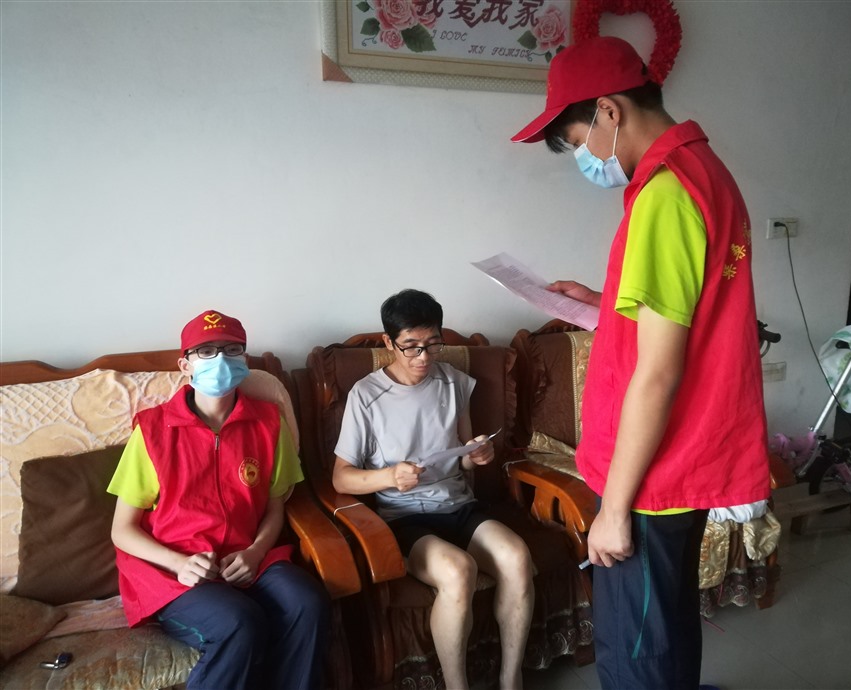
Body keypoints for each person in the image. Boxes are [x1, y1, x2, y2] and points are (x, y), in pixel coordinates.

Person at [511, 37, 771, 689]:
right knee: (667, 624)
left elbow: (657, 373)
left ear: (609, 111)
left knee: (637, 649)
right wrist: (601, 304)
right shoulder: (705, 172)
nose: (586, 159)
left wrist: (615, 509)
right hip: (682, 459)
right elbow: (690, 318)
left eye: (579, 142)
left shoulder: (664, 194)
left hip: (653, 474)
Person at [108, 309, 330, 690]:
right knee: (239, 623)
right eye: (206, 351)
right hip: (174, 574)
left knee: (308, 602)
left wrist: (256, 552)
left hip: (248, 560)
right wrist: (179, 563)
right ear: (185, 365)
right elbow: (122, 530)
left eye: (231, 350)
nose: (221, 360)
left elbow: (275, 506)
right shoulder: (153, 430)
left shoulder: (268, 423)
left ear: (244, 359)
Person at [332, 289, 534, 690]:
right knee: (458, 570)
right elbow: (341, 478)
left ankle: (511, 679)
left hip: (458, 504)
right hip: (404, 516)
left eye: (433, 344)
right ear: (389, 342)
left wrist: (476, 454)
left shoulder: (453, 382)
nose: (424, 357)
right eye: (411, 346)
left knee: (517, 557)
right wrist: (389, 476)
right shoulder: (366, 396)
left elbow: (461, 454)